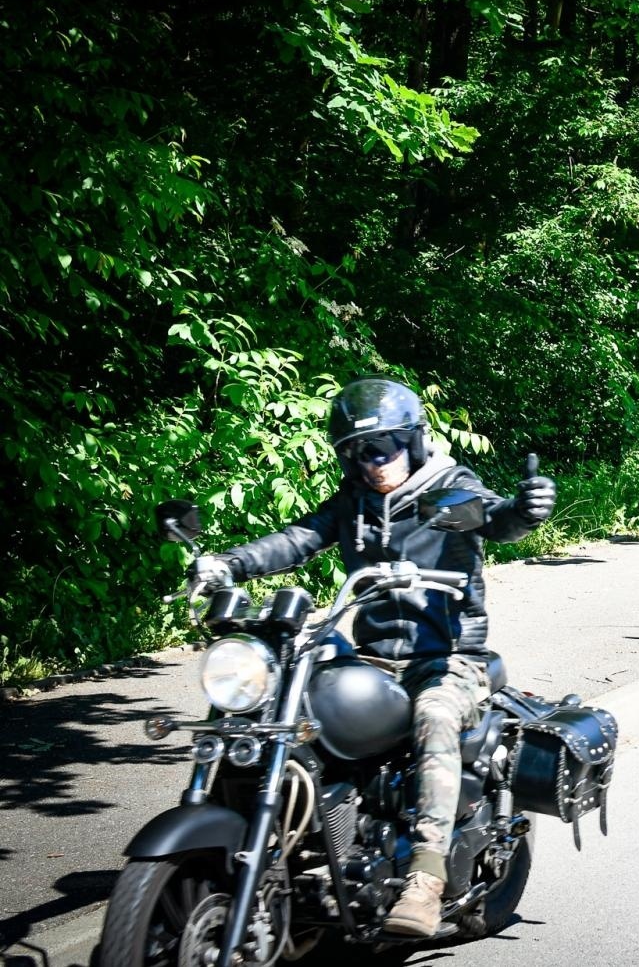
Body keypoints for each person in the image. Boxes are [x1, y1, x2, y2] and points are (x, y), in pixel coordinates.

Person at [186, 378, 556, 938]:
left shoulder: (449, 488)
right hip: (374, 657)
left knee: (434, 715)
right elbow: (296, 538)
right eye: (360, 452)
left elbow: (494, 517)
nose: (374, 462)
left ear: (413, 441)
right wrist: (229, 564)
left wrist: (523, 513)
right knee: (286, 698)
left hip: (449, 657)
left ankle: (426, 879)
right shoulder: (354, 501)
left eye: (384, 448)